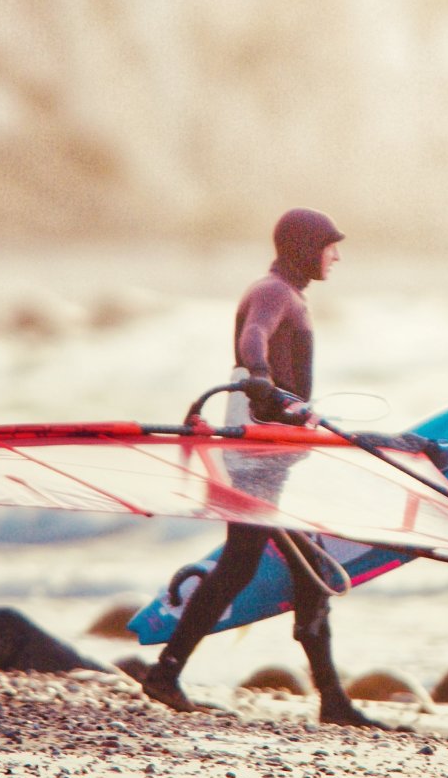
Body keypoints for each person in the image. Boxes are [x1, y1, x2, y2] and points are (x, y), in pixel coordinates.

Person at [138, 207, 378, 725]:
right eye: (329, 245)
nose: (336, 255)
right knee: (268, 566)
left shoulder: (290, 295)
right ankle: (170, 673)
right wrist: (261, 376)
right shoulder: (273, 293)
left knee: (274, 567)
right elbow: (254, 336)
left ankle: (171, 671)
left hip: (272, 453)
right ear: (302, 247)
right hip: (256, 454)